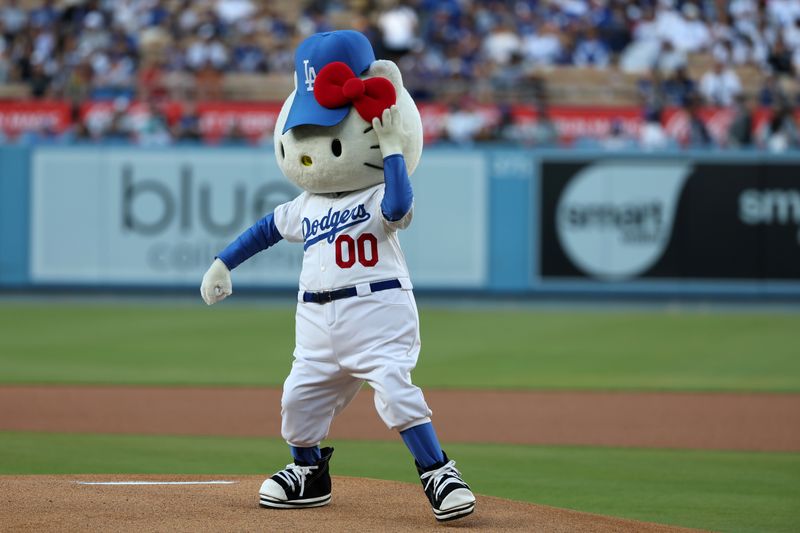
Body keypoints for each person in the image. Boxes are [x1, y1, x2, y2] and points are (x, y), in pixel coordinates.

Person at [199, 31, 476, 523]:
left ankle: (438, 472)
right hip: (315, 318)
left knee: (394, 387)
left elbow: (398, 205)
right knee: (297, 397)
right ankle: (308, 472)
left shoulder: (371, 196)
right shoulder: (307, 205)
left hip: (376, 307)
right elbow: (265, 230)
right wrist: (223, 262)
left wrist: (391, 151)